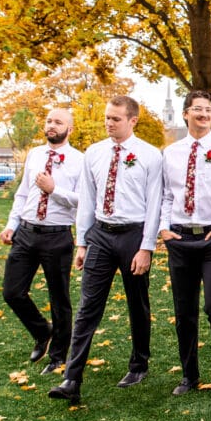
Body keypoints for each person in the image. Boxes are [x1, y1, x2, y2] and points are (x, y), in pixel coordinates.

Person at [48, 96, 162, 404]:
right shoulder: (94, 153)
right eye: (107, 118)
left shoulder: (150, 156)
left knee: (137, 302)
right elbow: (87, 199)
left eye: (115, 118)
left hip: (133, 236)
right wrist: (82, 242)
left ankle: (139, 364)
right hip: (100, 234)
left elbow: (155, 205)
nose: (108, 123)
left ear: (132, 121)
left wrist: (146, 247)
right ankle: (72, 378)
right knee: (87, 306)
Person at [159, 91, 211, 396]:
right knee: (184, 311)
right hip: (180, 239)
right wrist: (164, 229)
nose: (204, 114)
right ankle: (189, 374)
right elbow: (167, 196)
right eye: (198, 109)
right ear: (186, 114)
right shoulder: (170, 153)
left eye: (208, 110)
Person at [0, 108, 84, 375]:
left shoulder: (80, 161)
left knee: (59, 298)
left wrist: (54, 190)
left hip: (57, 236)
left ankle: (58, 356)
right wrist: (11, 225)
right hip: (25, 233)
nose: (51, 125)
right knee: (12, 292)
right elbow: (23, 193)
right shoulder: (35, 155)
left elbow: (83, 201)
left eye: (58, 122)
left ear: (70, 129)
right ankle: (42, 331)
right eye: (49, 121)